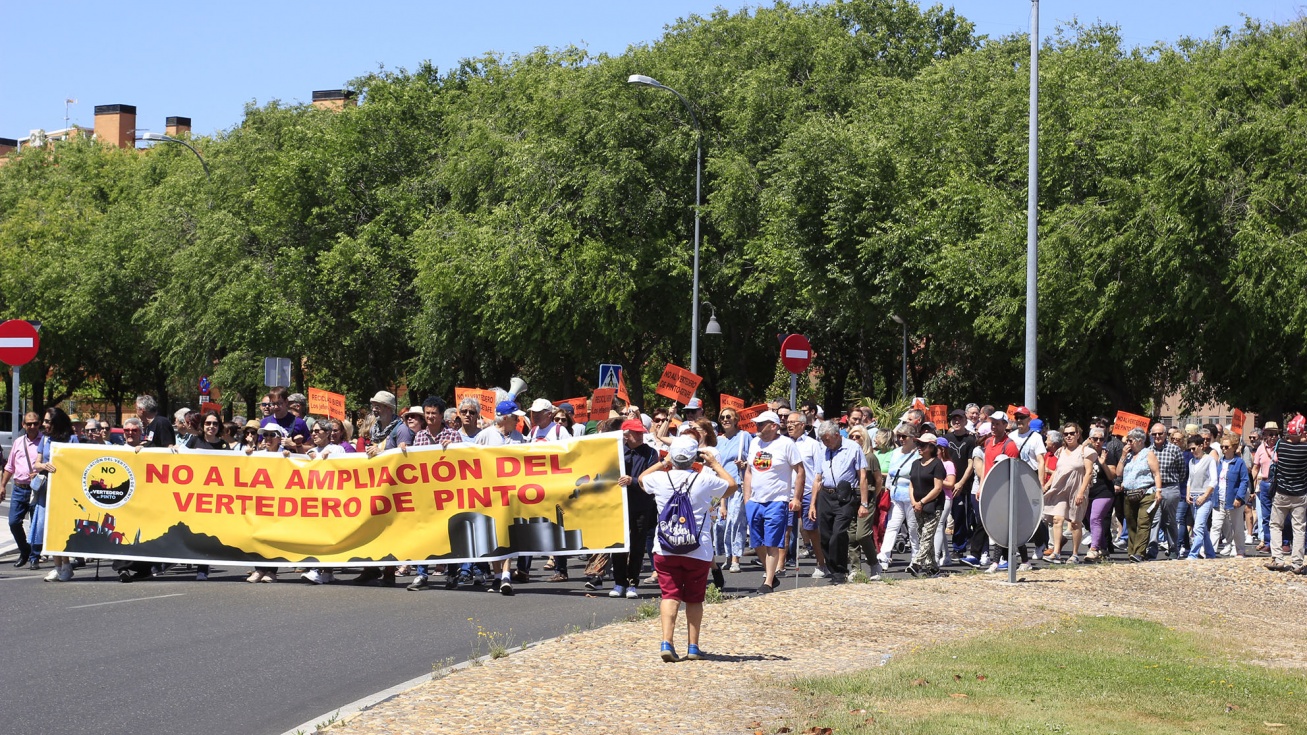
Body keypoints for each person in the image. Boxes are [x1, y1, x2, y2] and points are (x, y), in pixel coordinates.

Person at [638, 435, 736, 662]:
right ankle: (693, 646)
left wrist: (663, 463)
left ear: (673, 457)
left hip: (665, 548)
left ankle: (667, 642)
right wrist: (714, 464)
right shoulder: (705, 480)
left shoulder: (660, 480)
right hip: (698, 549)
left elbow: (642, 479)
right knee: (694, 598)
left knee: (669, 595)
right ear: (695, 457)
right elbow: (731, 486)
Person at [741, 411, 803, 595]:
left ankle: (768, 582)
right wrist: (747, 499)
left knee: (772, 542)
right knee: (756, 542)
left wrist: (796, 497)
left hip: (777, 500)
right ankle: (771, 574)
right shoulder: (754, 443)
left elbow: (800, 471)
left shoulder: (786, 444)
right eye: (757, 424)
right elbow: (749, 471)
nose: (757, 427)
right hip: (755, 500)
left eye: (762, 424)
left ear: (774, 426)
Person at [809, 420, 868, 583]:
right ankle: (833, 569)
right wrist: (812, 504)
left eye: (827, 439)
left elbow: (862, 476)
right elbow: (818, 478)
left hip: (845, 496)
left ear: (836, 435)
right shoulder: (823, 450)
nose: (825, 442)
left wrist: (864, 503)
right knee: (826, 536)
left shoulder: (853, 448)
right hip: (826, 495)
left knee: (838, 534)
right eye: (822, 439)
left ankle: (840, 571)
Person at [608, 419, 661, 598]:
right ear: (626, 434)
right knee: (618, 544)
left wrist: (634, 480)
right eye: (636, 433)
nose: (640, 435)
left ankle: (632, 582)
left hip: (641, 505)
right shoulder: (614, 452)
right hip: (617, 505)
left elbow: (653, 478)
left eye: (641, 432)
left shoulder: (651, 453)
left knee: (637, 545)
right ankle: (619, 583)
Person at [1043, 423, 1096, 564]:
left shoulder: (1085, 451)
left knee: (1075, 523)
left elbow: (1089, 473)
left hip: (1077, 489)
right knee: (1057, 519)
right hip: (1060, 489)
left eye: (1072, 433)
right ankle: (1056, 552)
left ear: (1078, 434)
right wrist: (1047, 485)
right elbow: (1057, 471)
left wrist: (1081, 492)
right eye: (1066, 434)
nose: (1069, 436)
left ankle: (1075, 554)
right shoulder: (1060, 451)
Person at [785, 412, 825, 578]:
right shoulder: (783, 443)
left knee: (810, 530)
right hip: (788, 493)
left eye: (793, 422)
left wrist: (815, 497)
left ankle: (821, 563)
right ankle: (780, 565)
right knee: (785, 530)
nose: (789, 425)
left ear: (802, 425)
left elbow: (818, 471)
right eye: (787, 422)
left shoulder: (812, 444)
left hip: (808, 492)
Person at [1, 412, 43, 569]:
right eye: (29, 424)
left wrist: (41, 473)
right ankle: (25, 549)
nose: (32, 427)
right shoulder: (18, 442)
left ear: (40, 424)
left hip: (37, 489)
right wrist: (2, 486)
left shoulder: (45, 442)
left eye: (35, 423)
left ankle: (34, 557)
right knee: (13, 522)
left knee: (35, 525)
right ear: (23, 425)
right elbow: (9, 467)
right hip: (19, 488)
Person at [878, 424, 921, 570]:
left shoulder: (918, 454)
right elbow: (890, 474)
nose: (901, 439)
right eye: (899, 436)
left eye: (904, 436)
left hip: (911, 496)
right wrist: (888, 490)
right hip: (896, 495)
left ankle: (916, 558)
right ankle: (884, 555)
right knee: (892, 525)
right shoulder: (895, 452)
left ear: (913, 438)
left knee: (913, 528)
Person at [1268, 414, 1307, 572]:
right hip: (1300, 494)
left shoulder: (1281, 446)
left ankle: (1278, 559)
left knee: (1276, 525)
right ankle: (1297, 563)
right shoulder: (1305, 449)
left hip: (1282, 493)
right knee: (1299, 528)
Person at [1117, 428, 1162, 562]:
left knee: (1143, 522)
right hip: (1129, 494)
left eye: (1130, 440)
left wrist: (1159, 490)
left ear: (1140, 441)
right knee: (1131, 523)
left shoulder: (1148, 454)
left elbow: (1156, 473)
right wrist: (1123, 456)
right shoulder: (1129, 456)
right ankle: (1132, 551)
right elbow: (1118, 473)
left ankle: (1139, 553)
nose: (1127, 443)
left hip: (1146, 493)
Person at [906, 432, 946, 577]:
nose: (919, 447)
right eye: (918, 444)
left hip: (933, 506)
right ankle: (932, 567)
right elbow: (911, 485)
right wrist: (914, 502)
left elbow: (938, 488)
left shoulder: (937, 464)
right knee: (922, 534)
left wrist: (923, 502)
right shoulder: (915, 463)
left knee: (927, 536)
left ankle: (917, 563)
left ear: (931, 446)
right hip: (917, 505)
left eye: (922, 445)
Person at [714, 407, 750, 573]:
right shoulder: (718, 440)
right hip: (721, 486)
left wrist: (744, 465)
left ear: (736, 419)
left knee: (736, 521)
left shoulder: (745, 437)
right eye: (722, 417)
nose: (725, 419)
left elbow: (754, 459)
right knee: (721, 523)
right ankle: (728, 556)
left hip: (738, 485)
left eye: (729, 417)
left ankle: (736, 558)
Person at [1082, 427, 1117, 561]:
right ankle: (1103, 547)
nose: (1098, 441)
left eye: (1101, 439)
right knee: (1090, 521)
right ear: (1090, 439)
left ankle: (1094, 549)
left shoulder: (1107, 454)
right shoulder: (1084, 453)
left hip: (1104, 492)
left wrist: (1103, 463)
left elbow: (1111, 476)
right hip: (1088, 493)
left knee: (1095, 518)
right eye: (1095, 439)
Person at [1212, 435, 1250, 558]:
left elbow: (1244, 480)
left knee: (1237, 526)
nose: (1223, 449)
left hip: (1234, 499)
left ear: (1233, 447)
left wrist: (1239, 498)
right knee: (1216, 526)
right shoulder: (1220, 461)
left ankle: (1240, 550)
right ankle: (1210, 551)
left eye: (1226, 447)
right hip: (1219, 499)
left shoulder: (1239, 462)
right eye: (1222, 446)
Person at [1184, 435, 1218, 559]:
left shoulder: (1209, 460)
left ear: (1200, 446)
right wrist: (1188, 494)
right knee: (1201, 528)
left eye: (1193, 449)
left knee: (1198, 527)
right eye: (1190, 450)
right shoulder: (1191, 462)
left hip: (1205, 498)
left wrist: (1204, 496)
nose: (1192, 452)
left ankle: (1193, 554)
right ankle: (1210, 553)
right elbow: (1189, 480)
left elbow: (1213, 481)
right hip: (1193, 497)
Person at [1252, 421, 1280, 553]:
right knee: (1265, 515)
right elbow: (1255, 467)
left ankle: (1284, 542)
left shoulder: (1282, 447)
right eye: (1271, 434)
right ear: (1265, 435)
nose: (1273, 437)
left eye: (1275, 434)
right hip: (1264, 483)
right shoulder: (1260, 449)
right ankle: (1268, 542)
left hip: (1279, 483)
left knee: (1281, 515)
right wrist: (1252, 486)